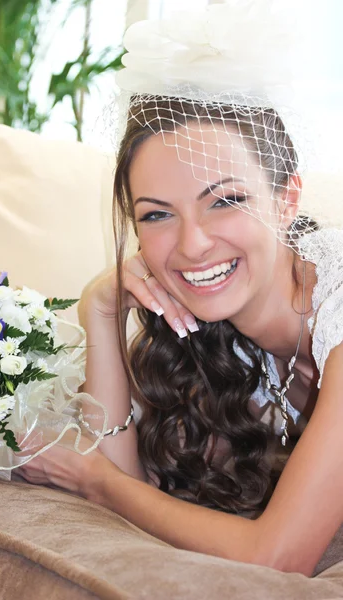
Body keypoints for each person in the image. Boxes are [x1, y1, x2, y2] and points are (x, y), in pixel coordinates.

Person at [18, 2, 343, 576]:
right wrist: (100, 307)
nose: (192, 246)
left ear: (287, 199)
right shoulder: (210, 328)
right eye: (157, 215)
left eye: (225, 200)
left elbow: (277, 556)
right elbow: (136, 479)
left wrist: (93, 479)